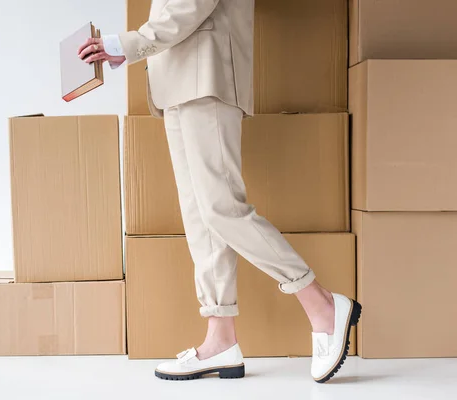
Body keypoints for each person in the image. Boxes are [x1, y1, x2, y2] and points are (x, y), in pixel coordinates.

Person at [78, 0, 361, 383]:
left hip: (206, 73)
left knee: (222, 209)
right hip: (176, 78)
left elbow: (191, 4)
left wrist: (125, 44)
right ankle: (220, 337)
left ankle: (321, 303)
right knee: (200, 218)